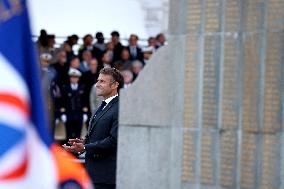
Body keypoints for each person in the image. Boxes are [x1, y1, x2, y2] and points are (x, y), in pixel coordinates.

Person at [63, 67, 124, 189]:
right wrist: (83, 142)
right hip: (94, 173)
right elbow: (99, 135)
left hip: (106, 176)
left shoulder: (119, 107)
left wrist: (85, 147)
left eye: (102, 81)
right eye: (98, 80)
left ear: (115, 85)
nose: (97, 84)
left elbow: (114, 140)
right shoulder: (100, 107)